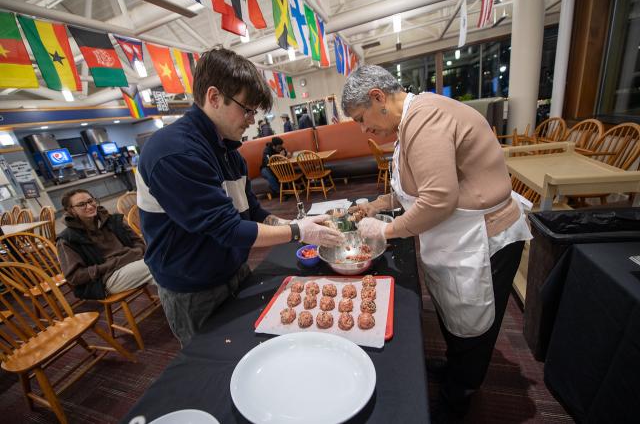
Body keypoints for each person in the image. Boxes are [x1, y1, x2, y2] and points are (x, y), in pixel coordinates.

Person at [342, 65, 532, 421]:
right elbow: (412, 188)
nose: (364, 130)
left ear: (377, 98)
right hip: (457, 236)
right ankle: (453, 366)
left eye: (361, 119)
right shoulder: (408, 121)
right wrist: (380, 204)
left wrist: (386, 230)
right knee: (454, 313)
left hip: (483, 238)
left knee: (475, 322)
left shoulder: (426, 121)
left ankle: (460, 393)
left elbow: (438, 200)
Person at [135, 48, 343, 347]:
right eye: (246, 110)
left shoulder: (229, 151)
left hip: (234, 269)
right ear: (214, 97)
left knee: (247, 345)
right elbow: (226, 229)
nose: (250, 120)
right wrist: (298, 232)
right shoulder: (174, 152)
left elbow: (252, 212)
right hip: (193, 286)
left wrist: (299, 222)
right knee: (212, 366)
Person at [56, 189, 154, 300]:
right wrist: (113, 263)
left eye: (90, 201)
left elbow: (139, 242)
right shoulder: (67, 239)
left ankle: (175, 312)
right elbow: (75, 277)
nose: (89, 206)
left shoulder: (112, 220)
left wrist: (133, 254)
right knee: (158, 266)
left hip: (135, 262)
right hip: (106, 278)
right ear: (70, 210)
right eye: (82, 204)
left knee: (164, 269)